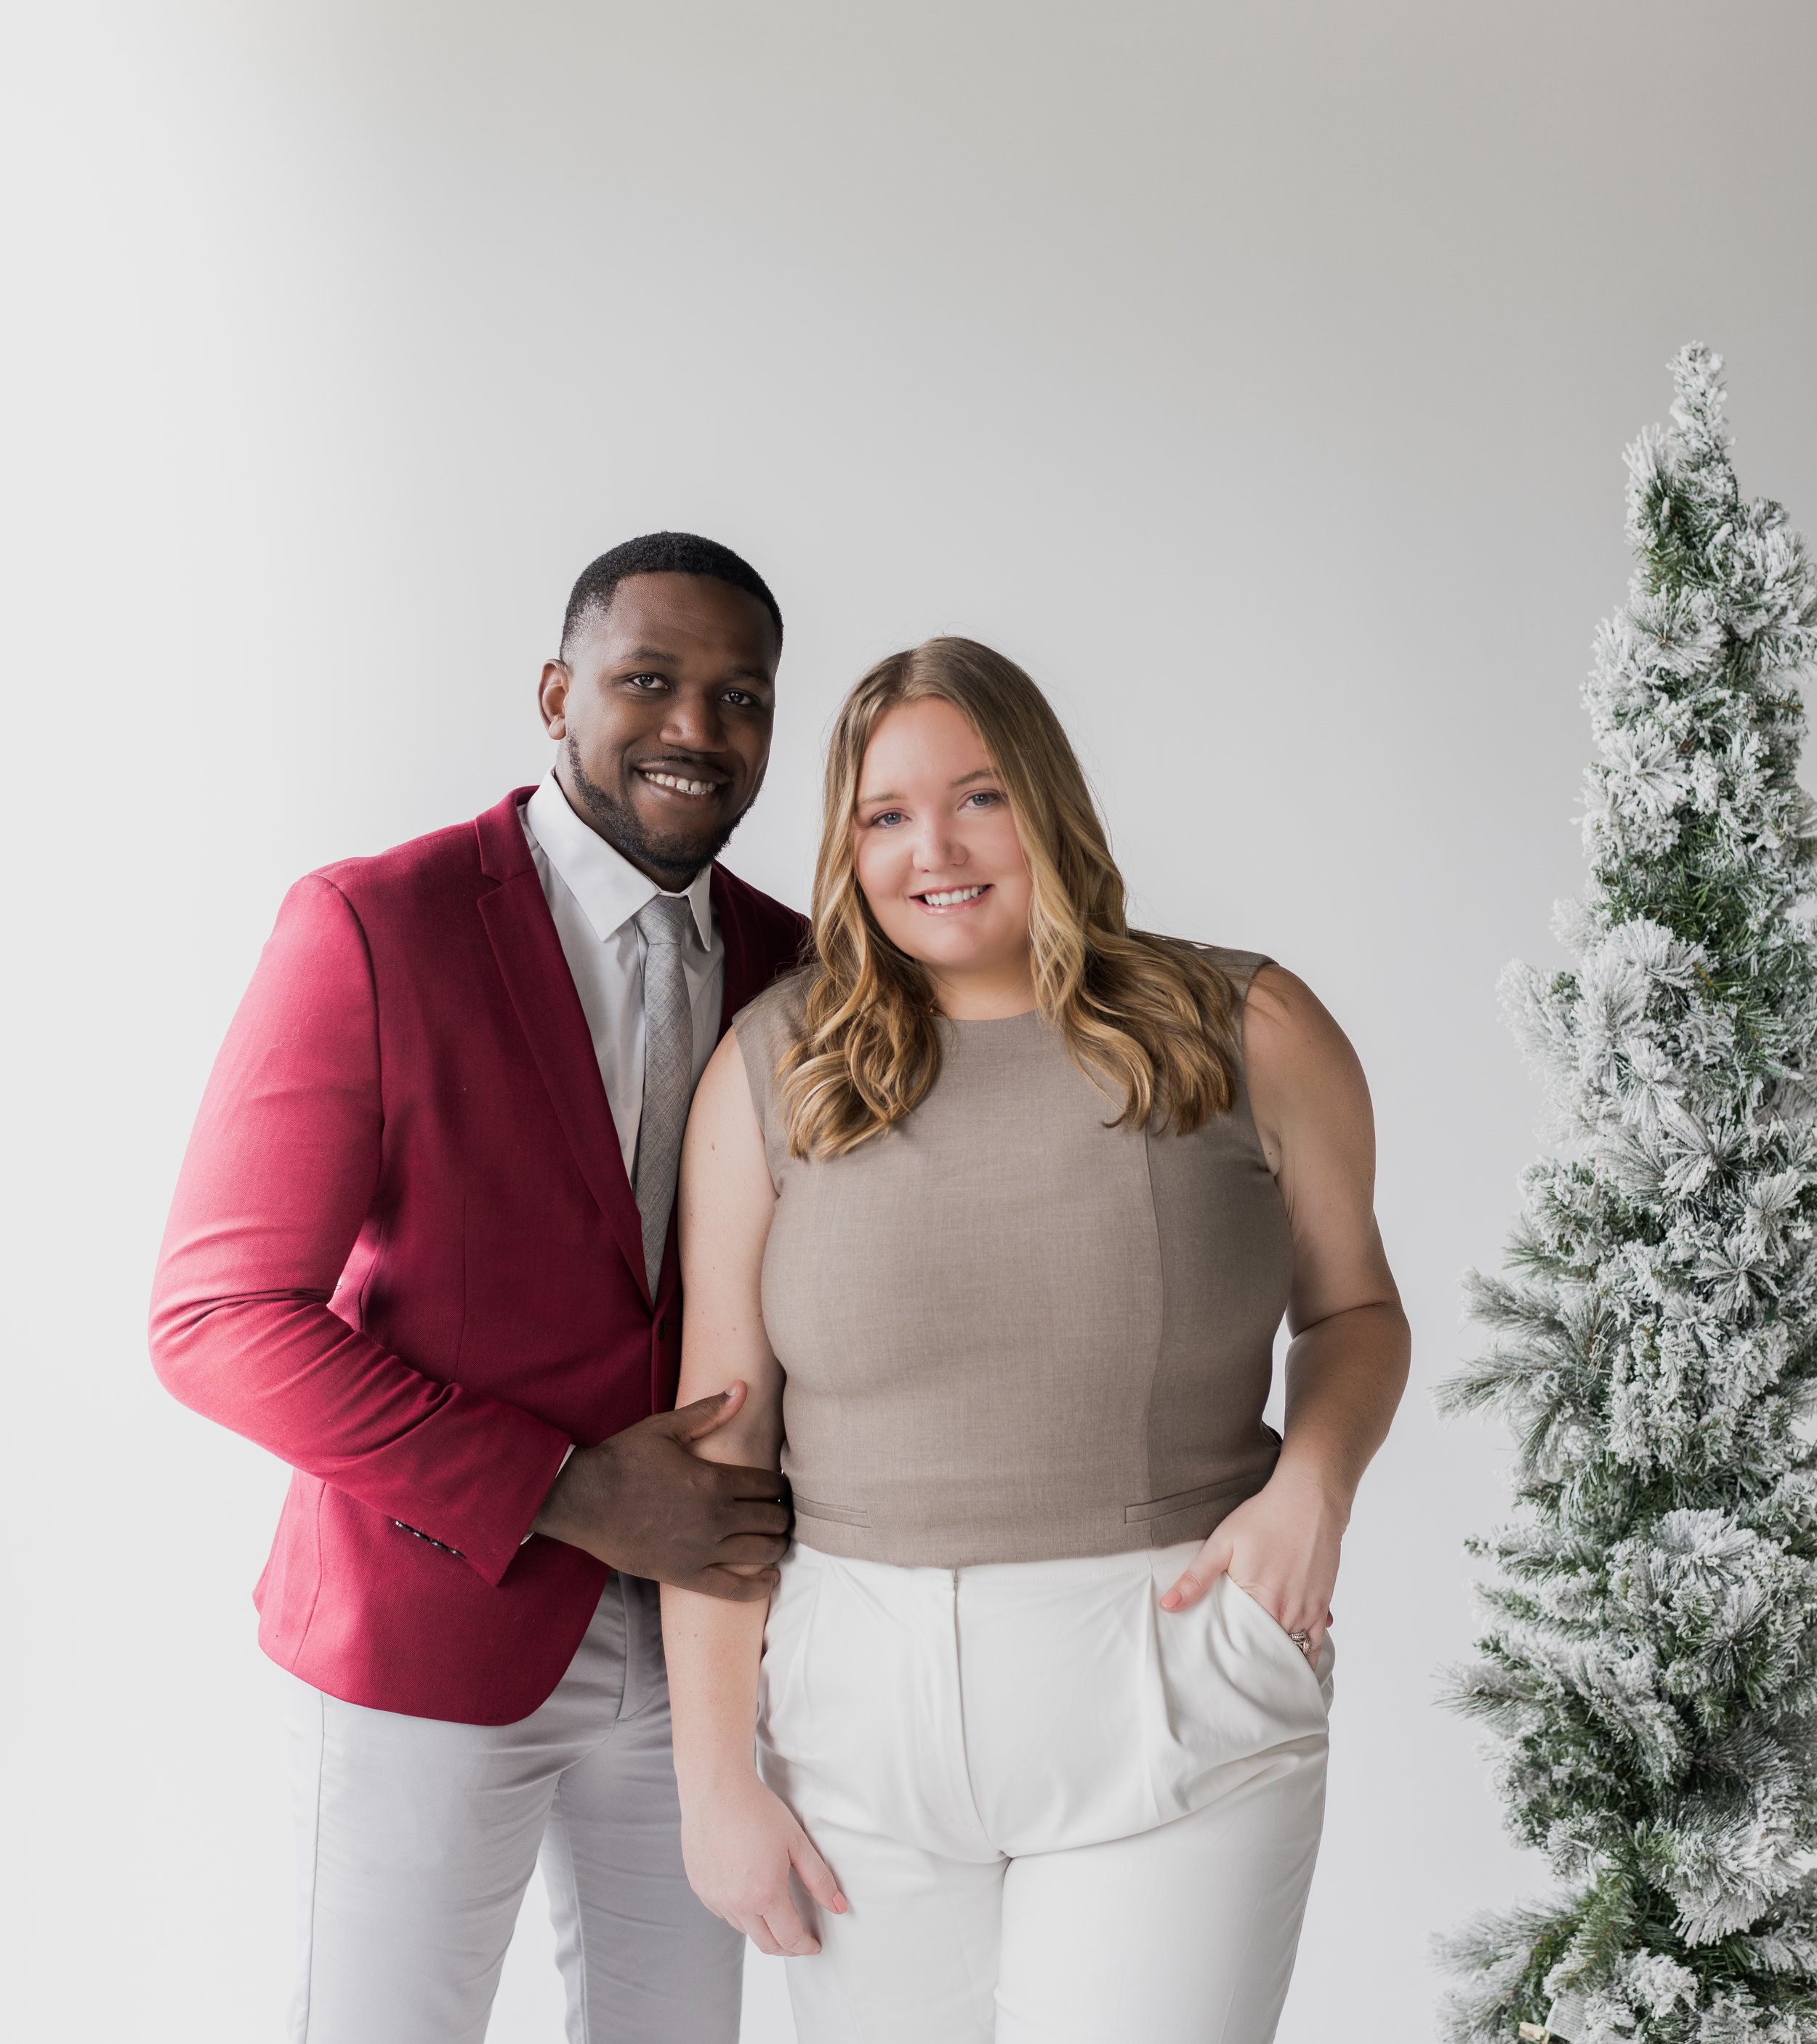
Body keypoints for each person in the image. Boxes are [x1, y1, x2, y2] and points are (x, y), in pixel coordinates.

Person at [662, 636, 1411, 2043]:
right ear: (846, 842)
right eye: (883, 815)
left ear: (1049, 806)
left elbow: (1355, 1308)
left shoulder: (1239, 1022)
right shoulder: (778, 1062)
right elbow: (723, 1438)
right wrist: (714, 1780)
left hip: (1170, 1665)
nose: (931, 847)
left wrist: (1312, 1483)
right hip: (850, 1709)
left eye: (978, 796)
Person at [149, 533, 809, 2044]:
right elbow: (218, 1318)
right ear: (554, 690)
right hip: (429, 1623)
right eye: (649, 680)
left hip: (707, 1653)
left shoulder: (797, 963)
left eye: (742, 697)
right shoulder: (378, 923)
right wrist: (565, 1488)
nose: (696, 730)